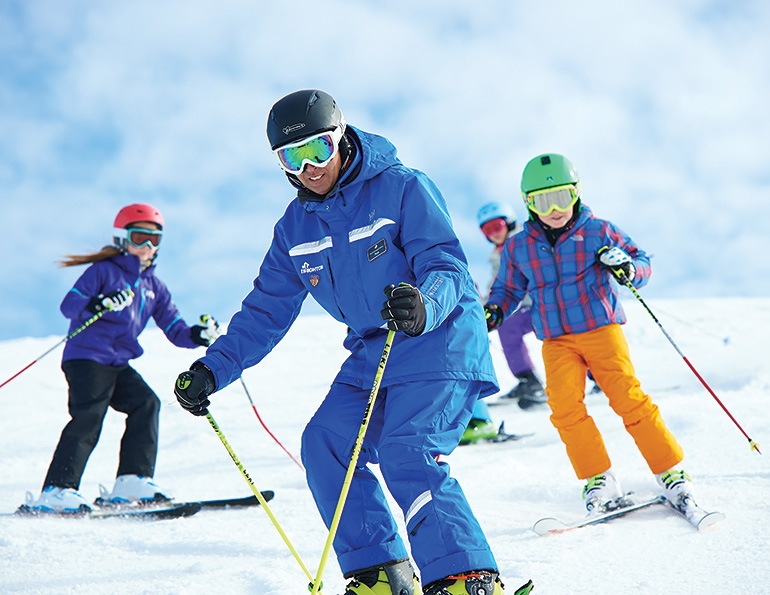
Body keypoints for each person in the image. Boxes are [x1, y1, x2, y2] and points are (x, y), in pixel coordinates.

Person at [173, 90, 532, 595]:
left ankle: (463, 576)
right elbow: (265, 311)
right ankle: (380, 573)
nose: (309, 166)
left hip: (438, 337)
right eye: (292, 158)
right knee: (325, 444)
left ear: (341, 136)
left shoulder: (402, 188)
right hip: (373, 350)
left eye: (318, 149)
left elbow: (446, 264)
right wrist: (214, 369)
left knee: (409, 452)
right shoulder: (294, 228)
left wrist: (424, 303)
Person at [485, 153, 693, 515]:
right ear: (528, 203)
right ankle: (599, 478)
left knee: (629, 400)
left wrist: (627, 267)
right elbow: (507, 288)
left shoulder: (599, 230)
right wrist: (495, 311)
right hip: (556, 340)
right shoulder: (520, 246)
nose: (554, 208)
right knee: (565, 409)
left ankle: (670, 470)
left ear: (576, 193)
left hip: (601, 330)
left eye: (562, 197)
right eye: (542, 201)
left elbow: (641, 261)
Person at [29, 203, 218, 514]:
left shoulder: (153, 286)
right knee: (90, 415)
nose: (146, 246)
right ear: (122, 238)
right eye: (139, 237)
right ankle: (58, 490)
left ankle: (132, 479)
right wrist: (99, 301)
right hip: (87, 357)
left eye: (154, 240)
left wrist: (198, 335)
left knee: (147, 404)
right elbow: (69, 306)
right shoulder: (104, 271)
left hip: (118, 363)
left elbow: (175, 329)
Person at [476, 202, 545, 409]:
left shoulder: (525, 240)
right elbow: (499, 284)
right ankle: (528, 380)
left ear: (509, 222)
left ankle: (595, 375)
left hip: (546, 301)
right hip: (525, 308)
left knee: (566, 335)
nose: (494, 233)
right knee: (507, 327)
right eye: (487, 231)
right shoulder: (496, 256)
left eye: (497, 226)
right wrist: (485, 304)